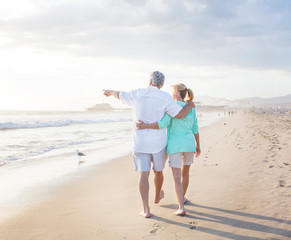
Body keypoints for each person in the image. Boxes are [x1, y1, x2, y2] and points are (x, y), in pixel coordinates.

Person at [103, 71, 195, 218]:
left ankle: (146, 210)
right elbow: (180, 114)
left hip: (140, 142)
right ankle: (158, 195)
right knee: (158, 171)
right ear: (161, 84)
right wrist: (190, 105)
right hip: (158, 143)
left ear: (150, 81)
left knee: (143, 174)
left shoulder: (137, 93)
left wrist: (109, 92)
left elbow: (119, 94)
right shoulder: (165, 97)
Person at [136, 83, 200, 216]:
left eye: (172, 91)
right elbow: (195, 127)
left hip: (175, 146)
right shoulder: (191, 108)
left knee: (176, 177)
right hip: (189, 144)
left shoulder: (172, 107)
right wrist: (198, 144)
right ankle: (182, 198)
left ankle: (181, 207)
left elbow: (162, 124)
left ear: (176, 93)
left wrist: (145, 126)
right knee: (185, 173)